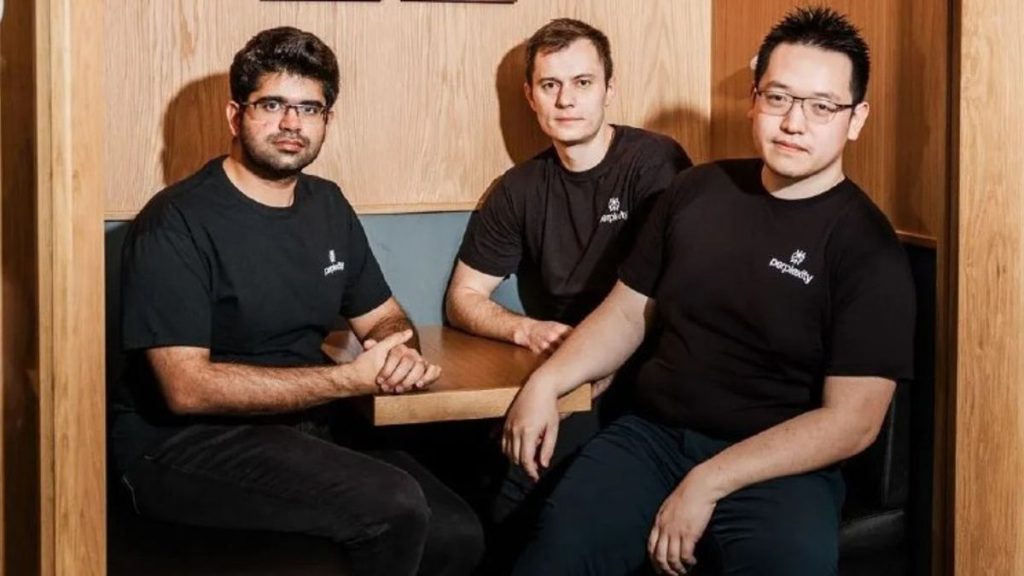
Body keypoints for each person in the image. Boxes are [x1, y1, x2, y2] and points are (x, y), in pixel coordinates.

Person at [503, 7, 915, 575]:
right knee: (554, 551)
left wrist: (709, 481)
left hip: (779, 467)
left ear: (856, 118)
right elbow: (627, 315)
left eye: (821, 107)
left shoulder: (867, 248)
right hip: (650, 440)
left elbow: (853, 422)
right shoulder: (697, 190)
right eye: (778, 98)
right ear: (754, 100)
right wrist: (545, 382)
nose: (794, 123)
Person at [110, 27, 482, 576]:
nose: (292, 123)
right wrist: (349, 381)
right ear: (236, 116)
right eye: (273, 105)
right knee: (395, 507)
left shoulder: (326, 203)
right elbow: (186, 388)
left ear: (327, 121)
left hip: (300, 425)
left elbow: (382, 315)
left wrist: (394, 348)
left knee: (458, 532)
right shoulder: (176, 221)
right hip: (179, 444)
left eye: (310, 108)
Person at [445, 17, 691, 525]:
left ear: (609, 90)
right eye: (550, 85)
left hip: (644, 368)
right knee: (477, 469)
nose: (566, 100)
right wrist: (525, 328)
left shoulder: (653, 162)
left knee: (524, 481)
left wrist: (596, 366)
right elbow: (463, 296)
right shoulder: (519, 188)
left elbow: (675, 289)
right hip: (563, 369)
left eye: (582, 83)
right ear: (530, 97)